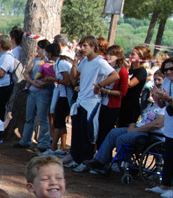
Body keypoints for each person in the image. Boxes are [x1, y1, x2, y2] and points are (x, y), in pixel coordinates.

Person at [66, 36, 119, 171]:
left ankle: (86, 159)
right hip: (81, 99)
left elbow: (114, 75)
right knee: (77, 130)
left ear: (93, 46)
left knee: (87, 131)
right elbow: (74, 77)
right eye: (81, 46)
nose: (82, 49)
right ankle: (76, 158)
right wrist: (75, 62)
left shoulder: (100, 62)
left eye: (85, 46)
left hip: (92, 101)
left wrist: (100, 85)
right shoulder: (84, 61)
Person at [148, 57, 173, 198]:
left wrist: (167, 98)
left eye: (172, 69)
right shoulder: (166, 81)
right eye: (166, 70)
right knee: (169, 156)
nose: (169, 72)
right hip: (170, 124)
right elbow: (163, 106)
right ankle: (165, 185)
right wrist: (158, 98)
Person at [16, 39, 54, 152]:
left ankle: (43, 142)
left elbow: (52, 78)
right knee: (29, 117)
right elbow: (26, 73)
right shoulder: (35, 61)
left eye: (39, 48)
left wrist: (41, 83)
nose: (37, 50)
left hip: (44, 93)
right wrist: (32, 83)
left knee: (42, 118)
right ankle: (25, 140)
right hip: (33, 92)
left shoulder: (51, 63)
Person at [95, 45, 129, 149]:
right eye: (108, 54)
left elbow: (123, 92)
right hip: (100, 102)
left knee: (105, 132)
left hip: (112, 106)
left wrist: (105, 91)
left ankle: (104, 158)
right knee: (97, 131)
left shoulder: (122, 71)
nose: (108, 56)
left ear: (118, 56)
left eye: (112, 54)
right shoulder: (105, 67)